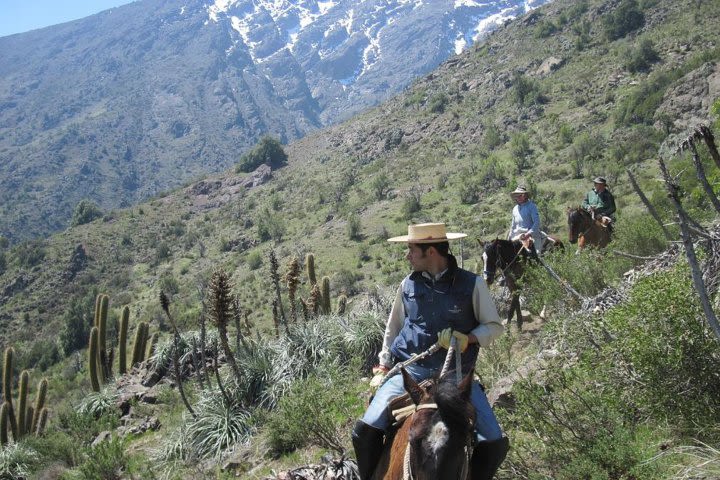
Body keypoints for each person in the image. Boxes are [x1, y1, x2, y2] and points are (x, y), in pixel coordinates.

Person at [351, 223, 509, 480]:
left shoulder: (472, 284)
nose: (407, 255)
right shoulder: (408, 285)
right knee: (364, 430)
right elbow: (394, 328)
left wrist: (468, 338)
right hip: (411, 372)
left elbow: (494, 326)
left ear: (432, 252)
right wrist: (383, 365)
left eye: (412, 250)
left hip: (456, 379)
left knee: (493, 440)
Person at [507, 185, 543, 255]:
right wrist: (510, 237)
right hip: (517, 236)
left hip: (531, 235)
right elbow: (513, 225)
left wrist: (528, 234)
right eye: (517, 195)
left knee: (537, 254)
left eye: (520, 195)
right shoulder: (515, 209)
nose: (518, 197)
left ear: (525, 195)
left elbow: (536, 222)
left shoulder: (532, 206)